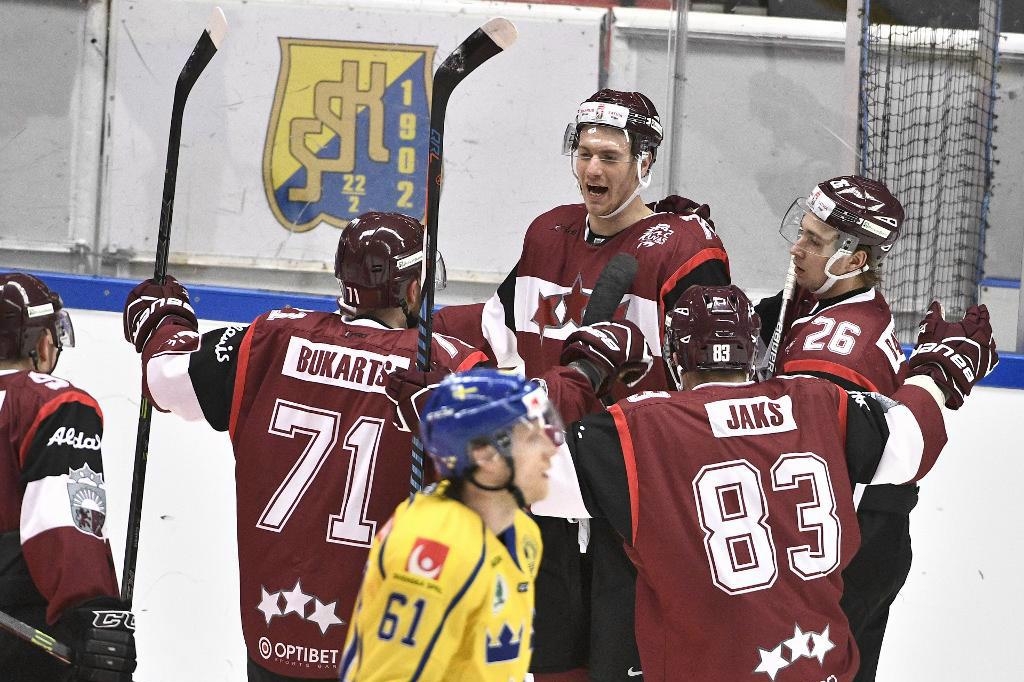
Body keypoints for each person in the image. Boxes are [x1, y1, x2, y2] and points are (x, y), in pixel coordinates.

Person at [535, 283, 996, 681]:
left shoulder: (642, 428)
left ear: (676, 358)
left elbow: (513, 465)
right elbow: (912, 443)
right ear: (753, 352)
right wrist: (934, 373)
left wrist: (582, 373)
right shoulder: (820, 402)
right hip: (820, 667)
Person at [434, 88, 731, 681]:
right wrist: (414, 327)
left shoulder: (683, 249)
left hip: (632, 493)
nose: (592, 169)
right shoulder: (548, 232)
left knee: (625, 663)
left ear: (644, 163)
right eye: (585, 153)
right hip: (547, 485)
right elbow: (497, 327)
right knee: (550, 661)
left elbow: (714, 378)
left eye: (611, 157)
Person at [121, 213, 487, 682]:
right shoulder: (446, 368)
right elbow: (525, 473)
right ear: (413, 290)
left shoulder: (269, 338)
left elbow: (165, 376)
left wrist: (163, 321)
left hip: (275, 636)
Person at [754, 175, 915, 681]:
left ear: (855, 260)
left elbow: (787, 449)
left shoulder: (837, 348)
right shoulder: (827, 299)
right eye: (801, 232)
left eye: (815, 242)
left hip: (853, 550)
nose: (797, 249)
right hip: (852, 532)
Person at [339, 368, 559, 681]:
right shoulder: (433, 551)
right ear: (485, 455)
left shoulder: (523, 534)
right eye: (534, 438)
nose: (551, 451)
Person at [0, 273, 137, 682]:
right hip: (21, 633)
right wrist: (93, 614)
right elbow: (64, 523)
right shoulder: (51, 403)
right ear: (39, 341)